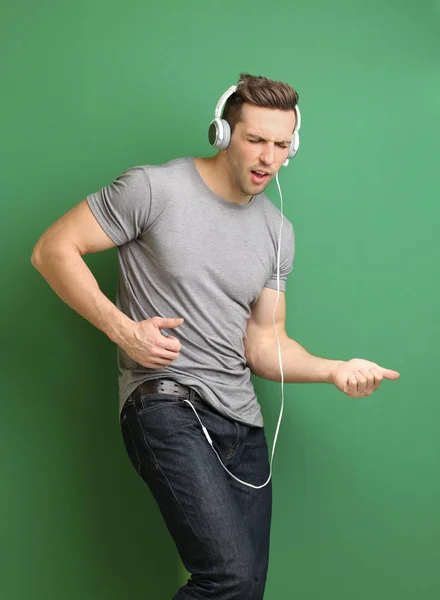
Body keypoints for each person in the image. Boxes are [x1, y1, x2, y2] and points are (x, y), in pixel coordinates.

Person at [31, 72, 400, 599]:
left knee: (246, 588)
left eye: (280, 145)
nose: (267, 157)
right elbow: (53, 249)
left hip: (242, 424)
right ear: (223, 134)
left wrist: (333, 369)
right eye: (255, 140)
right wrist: (124, 330)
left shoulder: (277, 232)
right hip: (165, 402)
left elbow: (264, 342)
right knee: (226, 578)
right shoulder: (154, 189)